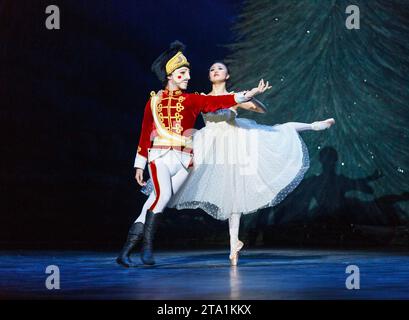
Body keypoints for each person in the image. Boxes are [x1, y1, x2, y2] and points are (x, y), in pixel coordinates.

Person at [163, 61, 335, 266]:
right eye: (211, 69)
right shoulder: (201, 97)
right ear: (209, 76)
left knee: (278, 132)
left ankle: (315, 125)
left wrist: (253, 95)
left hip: (236, 142)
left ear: (227, 76)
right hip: (211, 145)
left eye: (220, 69)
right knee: (185, 177)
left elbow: (261, 110)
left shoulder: (235, 97)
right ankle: (158, 195)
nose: (215, 71)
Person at [116, 43, 271, 267]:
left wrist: (249, 94)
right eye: (182, 73)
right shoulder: (154, 101)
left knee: (153, 202)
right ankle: (147, 250)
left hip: (184, 160)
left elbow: (220, 101)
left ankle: (125, 252)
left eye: (188, 73)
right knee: (162, 196)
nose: (188, 77)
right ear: (170, 76)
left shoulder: (192, 100)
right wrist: (139, 164)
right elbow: (144, 133)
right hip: (159, 156)